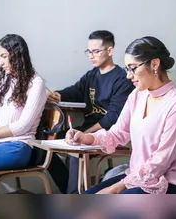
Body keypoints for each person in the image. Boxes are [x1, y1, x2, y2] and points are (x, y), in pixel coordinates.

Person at [66, 36, 176, 194]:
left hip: (173, 184)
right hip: (138, 178)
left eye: (132, 68)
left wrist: (114, 189)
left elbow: (160, 162)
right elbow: (119, 132)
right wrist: (86, 137)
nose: (129, 75)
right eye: (127, 68)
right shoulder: (137, 95)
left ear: (154, 64)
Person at [47, 30, 134, 194]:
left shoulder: (122, 78)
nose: (91, 56)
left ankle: (72, 197)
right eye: (89, 51)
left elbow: (113, 118)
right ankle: (69, 191)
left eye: (96, 51)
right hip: (86, 129)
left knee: (75, 151)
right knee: (45, 146)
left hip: (108, 133)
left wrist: (85, 134)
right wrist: (59, 95)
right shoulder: (92, 75)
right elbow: (76, 90)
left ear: (110, 50)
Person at [0, 34, 46, 172]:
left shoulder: (36, 83)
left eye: (4, 56)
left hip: (18, 146)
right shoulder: (6, 81)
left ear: (17, 55)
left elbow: (22, 126)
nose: (1, 63)